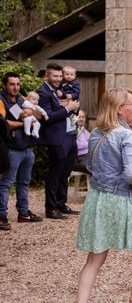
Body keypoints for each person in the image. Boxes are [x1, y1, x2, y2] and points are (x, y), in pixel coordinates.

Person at [67, 88, 132, 303]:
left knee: (94, 259)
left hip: (96, 199)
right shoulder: (127, 136)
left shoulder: (96, 134)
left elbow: (90, 165)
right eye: (131, 103)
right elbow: (131, 173)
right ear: (119, 109)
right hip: (119, 199)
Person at [0, 72, 43, 230]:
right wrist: (22, 122)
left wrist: (32, 115)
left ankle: (23, 213)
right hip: (12, 149)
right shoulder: (1, 100)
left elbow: (38, 115)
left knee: (24, 183)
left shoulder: (21, 99)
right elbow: (3, 123)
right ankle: (1, 216)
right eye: (12, 84)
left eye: (18, 84)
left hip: (27, 148)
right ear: (4, 85)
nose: (15, 87)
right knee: (6, 184)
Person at [38, 63, 80, 219]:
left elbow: (68, 110)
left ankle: (61, 204)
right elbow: (47, 118)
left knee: (65, 173)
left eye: (59, 76)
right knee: (55, 174)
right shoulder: (43, 93)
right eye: (54, 76)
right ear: (46, 76)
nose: (58, 79)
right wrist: (67, 109)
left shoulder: (58, 91)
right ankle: (51, 208)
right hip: (56, 139)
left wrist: (73, 108)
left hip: (69, 136)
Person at [73, 110, 91, 174]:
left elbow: (92, 143)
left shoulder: (84, 131)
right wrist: (88, 144)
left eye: (83, 117)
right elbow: (75, 145)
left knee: (102, 165)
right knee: (93, 167)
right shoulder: (72, 130)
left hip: (87, 157)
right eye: (79, 117)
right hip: (77, 159)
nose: (81, 119)